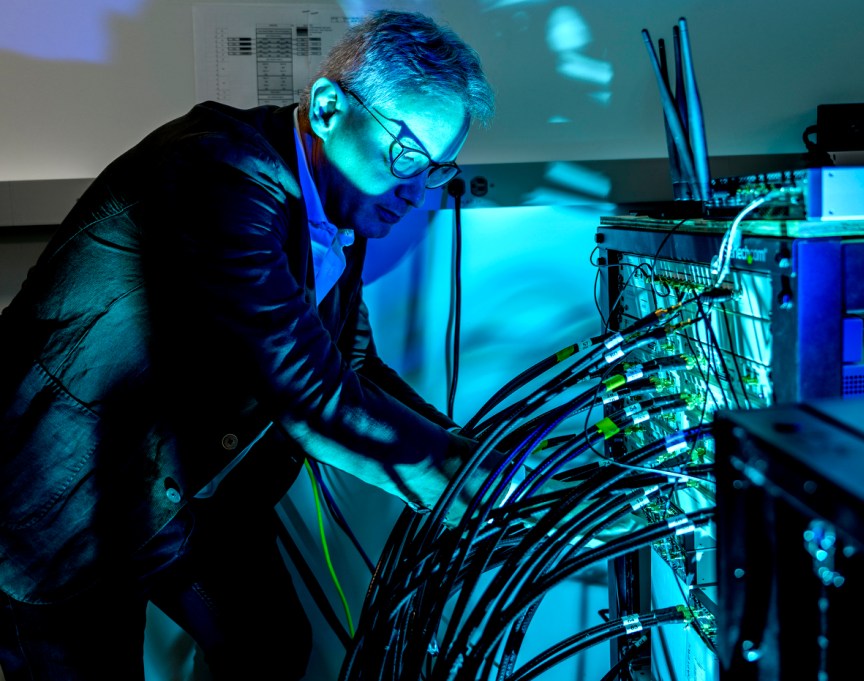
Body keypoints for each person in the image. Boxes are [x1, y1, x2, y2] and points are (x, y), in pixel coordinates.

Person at [0, 10, 494, 680]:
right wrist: (468, 487)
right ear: (327, 108)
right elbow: (307, 389)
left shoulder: (339, 205)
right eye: (406, 156)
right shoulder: (218, 170)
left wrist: (478, 452)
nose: (415, 191)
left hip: (181, 490)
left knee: (268, 644)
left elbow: (351, 367)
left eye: (436, 168)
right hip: (67, 497)